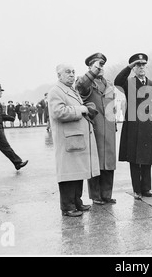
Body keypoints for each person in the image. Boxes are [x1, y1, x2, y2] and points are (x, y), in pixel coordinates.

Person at [48, 64, 100, 217]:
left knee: (77, 172)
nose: (71, 75)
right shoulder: (55, 91)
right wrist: (82, 109)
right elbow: (59, 112)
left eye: (73, 72)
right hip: (67, 139)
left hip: (76, 138)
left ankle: (77, 201)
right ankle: (67, 207)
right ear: (59, 75)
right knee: (68, 174)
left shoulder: (72, 90)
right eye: (67, 72)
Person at [114, 53, 152, 200]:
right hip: (133, 126)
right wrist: (128, 67)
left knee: (147, 159)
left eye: (143, 65)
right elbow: (117, 80)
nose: (141, 68)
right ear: (133, 68)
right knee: (134, 160)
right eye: (138, 65)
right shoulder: (128, 83)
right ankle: (137, 190)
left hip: (148, 126)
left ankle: (146, 188)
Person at [76, 52, 117, 205]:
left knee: (109, 161)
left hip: (109, 127)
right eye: (97, 64)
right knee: (95, 161)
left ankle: (107, 194)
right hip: (95, 127)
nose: (101, 67)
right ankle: (96, 195)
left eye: (102, 65)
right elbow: (81, 87)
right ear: (90, 67)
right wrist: (93, 72)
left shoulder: (109, 83)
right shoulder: (86, 82)